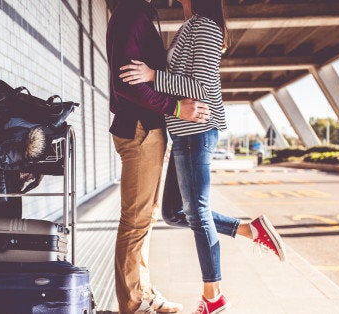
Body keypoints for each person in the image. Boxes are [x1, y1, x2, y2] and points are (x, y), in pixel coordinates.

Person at [118, 0, 287, 313]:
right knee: (174, 213)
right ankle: (252, 230)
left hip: (197, 130)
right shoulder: (193, 24)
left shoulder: (206, 27)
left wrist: (153, 76)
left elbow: (204, 87)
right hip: (183, 132)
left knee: (196, 210)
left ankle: (214, 296)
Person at [106, 0, 215, 313]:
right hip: (140, 128)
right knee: (136, 219)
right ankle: (133, 303)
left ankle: (144, 292)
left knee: (146, 218)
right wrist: (178, 108)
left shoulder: (136, 14)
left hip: (147, 128)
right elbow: (126, 84)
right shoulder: (131, 14)